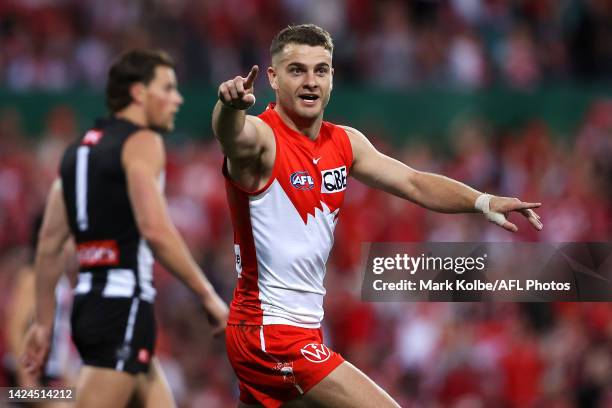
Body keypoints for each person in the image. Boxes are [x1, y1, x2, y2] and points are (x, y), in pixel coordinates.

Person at [213, 24, 543, 407]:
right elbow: (231, 136)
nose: (310, 81)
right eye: (296, 70)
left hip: (294, 331)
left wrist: (483, 201)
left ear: (333, 76)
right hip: (271, 333)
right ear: (272, 77)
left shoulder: (345, 143)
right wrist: (229, 106)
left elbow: (414, 182)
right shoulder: (263, 138)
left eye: (321, 70)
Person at [22, 49, 229, 408]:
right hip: (123, 307)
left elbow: (49, 244)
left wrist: (43, 323)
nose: (177, 99)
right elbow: (155, 228)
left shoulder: (77, 154)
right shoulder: (143, 142)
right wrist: (207, 294)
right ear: (138, 93)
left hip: (91, 307)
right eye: (167, 88)